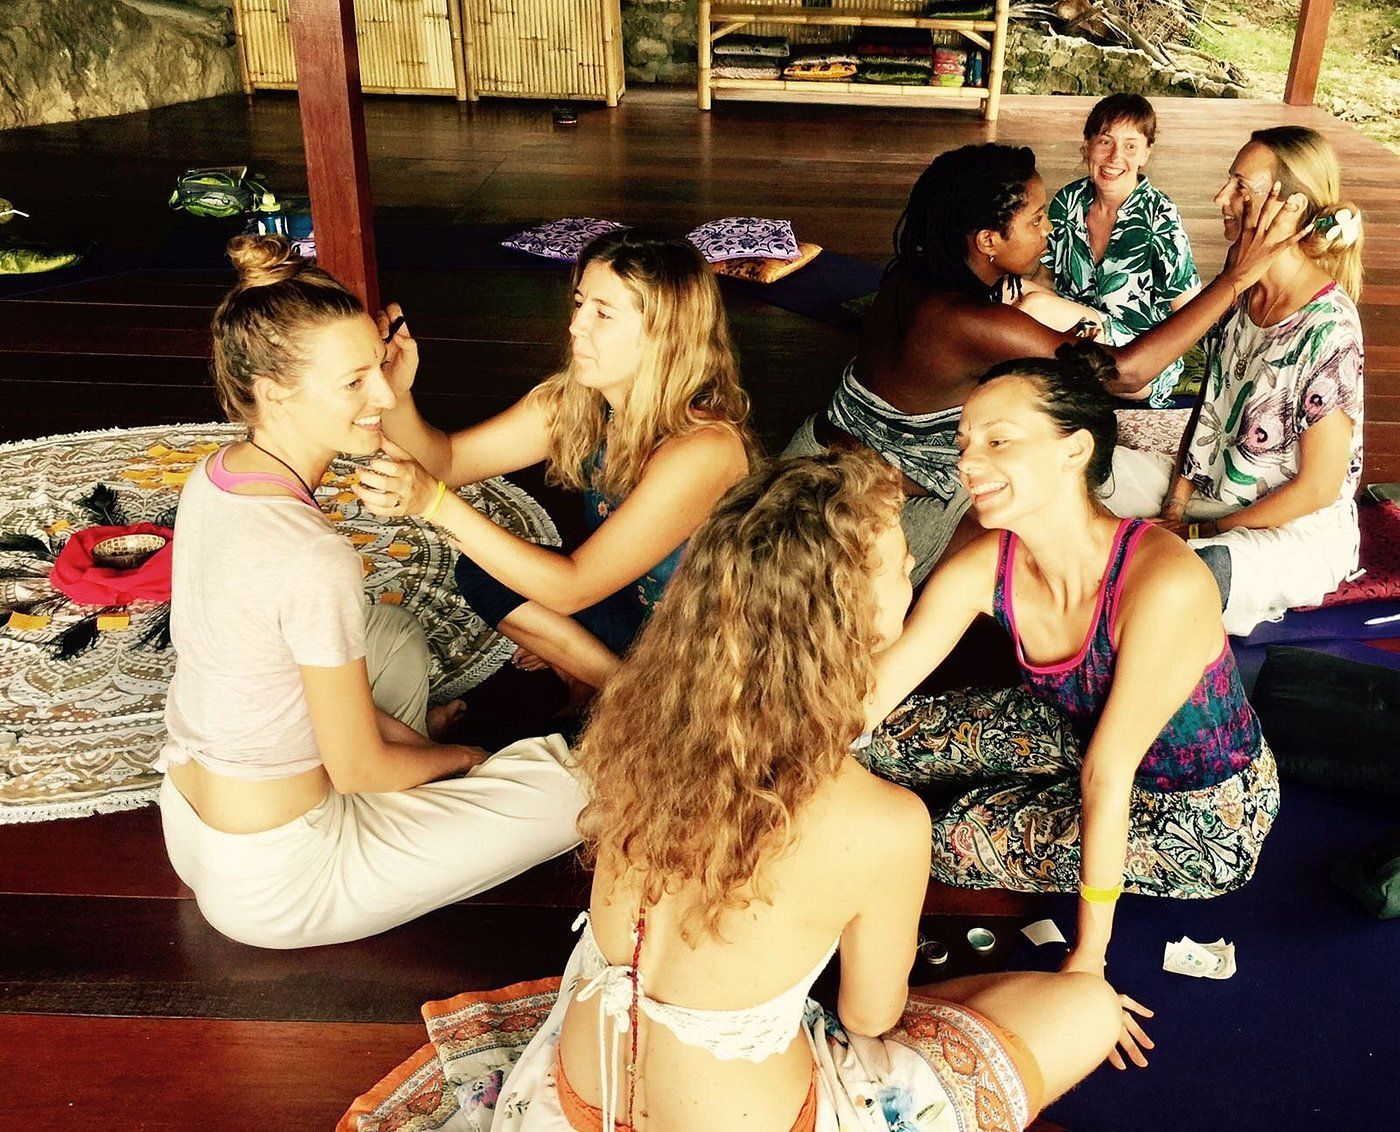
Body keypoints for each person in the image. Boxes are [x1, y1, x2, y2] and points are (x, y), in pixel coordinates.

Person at [345, 452, 1126, 1132]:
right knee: (1086, 1007)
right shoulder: (883, 822)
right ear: (849, 618)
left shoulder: (637, 724)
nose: (909, 576)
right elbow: (870, 1020)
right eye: (897, 566)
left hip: (577, 1100)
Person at [155, 235, 586, 950]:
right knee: (575, 791)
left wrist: (408, 746)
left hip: (193, 821)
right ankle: (440, 758)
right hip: (282, 878)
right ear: (272, 393)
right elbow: (358, 770)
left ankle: (421, 751)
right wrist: (469, 759)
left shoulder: (218, 474)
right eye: (355, 382)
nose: (382, 396)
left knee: (387, 635)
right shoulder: (312, 557)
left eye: (378, 371)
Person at [862, 344, 1280, 1005]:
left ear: (1074, 451)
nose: (969, 462)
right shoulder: (986, 561)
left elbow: (1106, 775)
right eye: (966, 441)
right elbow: (880, 690)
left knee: (945, 841)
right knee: (880, 739)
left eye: (999, 441)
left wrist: (1088, 960)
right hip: (1073, 722)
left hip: (1200, 805)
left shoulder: (1164, 582)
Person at [784, 142, 1308, 582]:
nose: (1050, 231)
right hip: (858, 506)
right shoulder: (967, 321)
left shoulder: (917, 275)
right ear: (988, 240)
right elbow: (1125, 375)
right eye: (1036, 220)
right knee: (1053, 559)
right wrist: (1233, 279)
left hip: (817, 451)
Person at [360, 228, 753, 690]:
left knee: (542, 583)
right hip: (639, 620)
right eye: (580, 303)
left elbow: (572, 589)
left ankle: (640, 706)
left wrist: (435, 504)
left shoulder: (704, 448)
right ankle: (614, 686)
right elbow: (445, 462)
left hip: (711, 656)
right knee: (486, 572)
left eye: (603, 314)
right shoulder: (579, 404)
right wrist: (400, 393)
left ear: (666, 336)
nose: (576, 325)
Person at [1102, 126, 1365, 636]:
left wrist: (1197, 529)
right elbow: (1210, 405)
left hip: (1290, 531)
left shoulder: (1328, 326)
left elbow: (1317, 487)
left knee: (1163, 577)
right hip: (1218, 491)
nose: (1222, 197)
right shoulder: (1243, 291)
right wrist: (1176, 503)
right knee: (1088, 473)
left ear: (1288, 209)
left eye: (1241, 187)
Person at [1034, 93, 1201, 406]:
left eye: (1130, 146)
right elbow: (1046, 281)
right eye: (1105, 141)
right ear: (1087, 146)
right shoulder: (1069, 201)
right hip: (1075, 338)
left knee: (1033, 311)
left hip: (1136, 358)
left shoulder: (1158, 216)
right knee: (1006, 295)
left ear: (1146, 154)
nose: (1114, 157)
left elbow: (1189, 311)